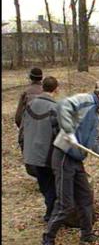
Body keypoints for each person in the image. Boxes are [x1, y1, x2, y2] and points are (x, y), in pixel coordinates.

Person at [41, 79, 99, 245]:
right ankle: (48, 240)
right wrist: (68, 131)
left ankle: (87, 234)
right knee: (65, 204)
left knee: (86, 197)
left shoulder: (96, 114)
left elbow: (95, 140)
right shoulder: (85, 100)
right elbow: (61, 106)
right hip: (63, 155)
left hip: (77, 160)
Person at [22, 76, 60, 222]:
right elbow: (58, 133)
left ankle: (49, 211)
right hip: (47, 154)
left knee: (44, 184)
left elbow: (23, 124)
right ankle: (50, 214)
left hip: (31, 153)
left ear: (42, 87)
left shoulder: (30, 105)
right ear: (56, 89)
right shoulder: (55, 108)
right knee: (52, 186)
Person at [15, 67, 44, 177]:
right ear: (41, 78)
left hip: (28, 131)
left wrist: (22, 128)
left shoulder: (25, 93)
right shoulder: (47, 92)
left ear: (30, 78)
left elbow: (18, 117)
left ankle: (38, 175)